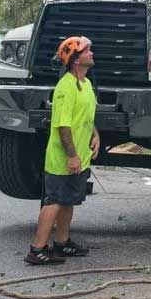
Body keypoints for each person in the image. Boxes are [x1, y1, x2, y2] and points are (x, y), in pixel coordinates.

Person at [27, 35, 99, 266]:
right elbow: (62, 125)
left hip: (80, 157)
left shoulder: (86, 84)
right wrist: (72, 155)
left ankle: (62, 242)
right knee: (54, 201)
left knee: (68, 200)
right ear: (76, 60)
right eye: (87, 51)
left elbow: (85, 116)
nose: (92, 53)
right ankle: (37, 249)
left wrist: (95, 134)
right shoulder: (65, 88)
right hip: (63, 159)